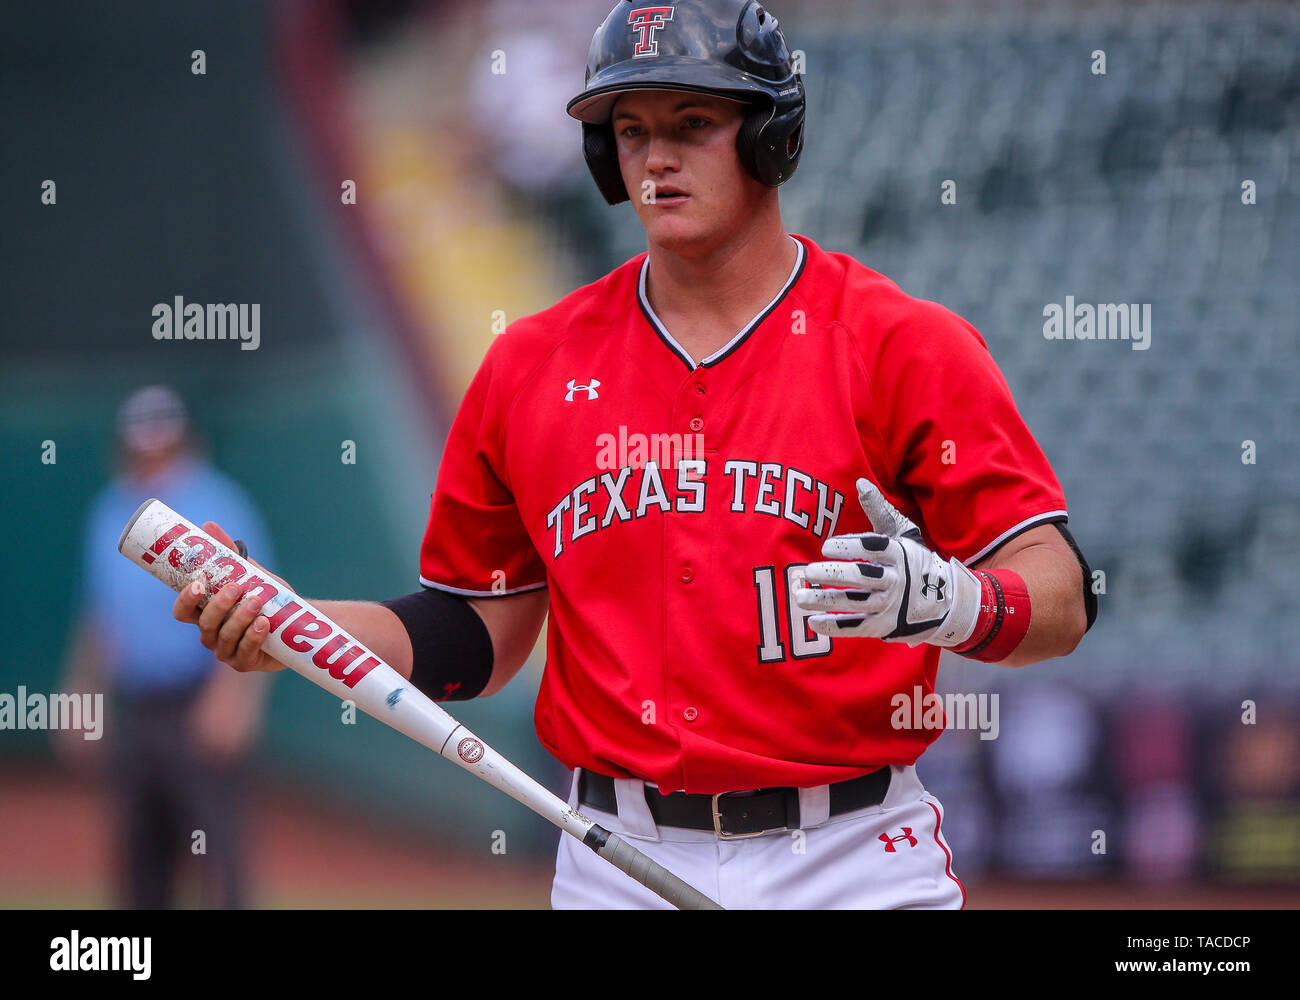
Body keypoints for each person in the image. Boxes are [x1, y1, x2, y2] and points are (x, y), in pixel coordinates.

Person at [172, 0, 1096, 909]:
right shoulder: (533, 365)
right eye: (630, 129)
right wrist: (293, 628)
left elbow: (1061, 594)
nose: (656, 158)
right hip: (619, 859)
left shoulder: (904, 345)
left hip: (852, 856)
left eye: (694, 123)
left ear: (773, 136)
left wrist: (953, 600)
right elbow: (473, 637)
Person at [61, 385, 273, 909]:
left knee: (219, 861)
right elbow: (100, 615)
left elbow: (259, 608)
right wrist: (81, 696)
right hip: (140, 707)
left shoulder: (218, 502)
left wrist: (232, 700)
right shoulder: (109, 508)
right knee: (140, 860)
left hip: (198, 698)